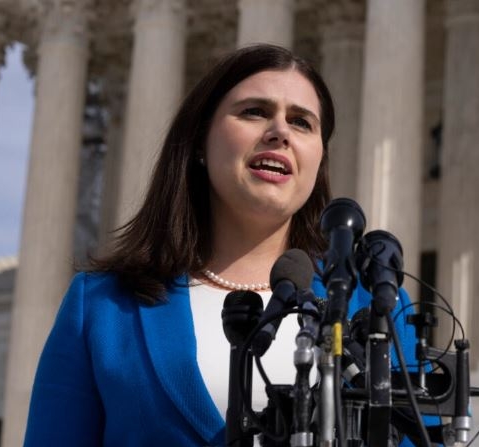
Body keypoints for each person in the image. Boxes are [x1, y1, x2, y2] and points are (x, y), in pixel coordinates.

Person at [24, 44, 419, 446]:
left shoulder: (377, 307)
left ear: (319, 161)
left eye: (301, 122)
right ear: (199, 141)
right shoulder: (104, 307)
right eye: (254, 112)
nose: (280, 132)